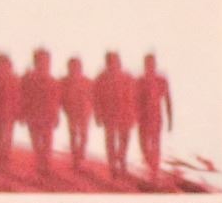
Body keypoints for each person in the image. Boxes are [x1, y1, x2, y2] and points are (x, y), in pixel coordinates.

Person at [93, 51, 136, 181]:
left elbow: (134, 97)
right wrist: (97, 115)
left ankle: (121, 160)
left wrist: (134, 114)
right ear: (107, 63)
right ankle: (113, 166)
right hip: (109, 114)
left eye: (116, 61)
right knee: (110, 141)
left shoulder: (127, 77)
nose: (113, 64)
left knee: (124, 140)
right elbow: (96, 98)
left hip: (125, 113)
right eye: (110, 62)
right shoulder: (101, 78)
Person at [20, 48, 63, 179]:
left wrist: (56, 116)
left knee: (47, 142)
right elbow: (22, 97)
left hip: (47, 116)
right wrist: (22, 114)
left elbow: (56, 100)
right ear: (36, 62)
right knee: (37, 143)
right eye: (43, 60)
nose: (46, 63)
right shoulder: (28, 79)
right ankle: (41, 165)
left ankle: (46, 166)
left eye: (47, 61)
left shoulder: (52, 80)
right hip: (33, 115)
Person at [136, 54, 173, 180]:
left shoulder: (161, 80)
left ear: (155, 64)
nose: (149, 67)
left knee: (155, 143)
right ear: (145, 65)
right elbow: (133, 100)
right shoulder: (140, 80)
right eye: (148, 64)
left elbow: (168, 99)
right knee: (144, 145)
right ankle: (151, 165)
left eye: (152, 64)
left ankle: (154, 170)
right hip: (142, 117)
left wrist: (170, 119)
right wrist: (134, 116)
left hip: (156, 116)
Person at [60, 56, 93, 170]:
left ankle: (80, 154)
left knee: (83, 135)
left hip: (85, 111)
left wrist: (92, 109)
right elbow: (60, 97)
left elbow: (93, 97)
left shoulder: (87, 81)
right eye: (72, 67)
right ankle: (76, 158)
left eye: (77, 66)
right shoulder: (64, 81)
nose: (75, 69)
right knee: (74, 135)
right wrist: (64, 108)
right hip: (72, 112)